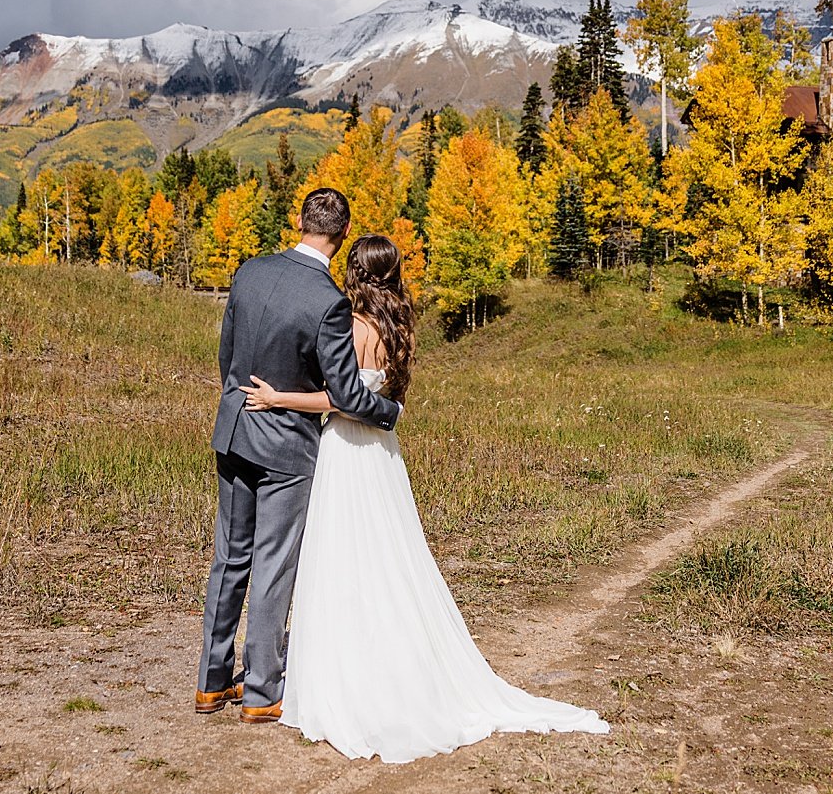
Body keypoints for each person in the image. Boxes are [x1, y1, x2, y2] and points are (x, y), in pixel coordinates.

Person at [242, 233, 609, 763]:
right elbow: (379, 399)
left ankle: (349, 674)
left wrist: (279, 397)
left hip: (347, 448)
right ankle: (393, 659)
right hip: (382, 452)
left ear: (357, 274)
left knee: (343, 559)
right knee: (388, 560)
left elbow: (342, 400)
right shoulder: (397, 326)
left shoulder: (351, 324)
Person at [197, 188, 403, 723]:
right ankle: (262, 691)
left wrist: (237, 403)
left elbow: (227, 354)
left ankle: (212, 682)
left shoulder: (250, 271)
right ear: (342, 232)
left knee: (229, 557)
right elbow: (346, 393)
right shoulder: (327, 300)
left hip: (235, 427)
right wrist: (390, 412)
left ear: (300, 220)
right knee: (272, 563)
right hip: (285, 448)